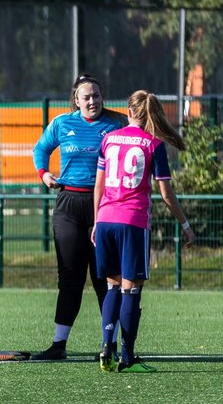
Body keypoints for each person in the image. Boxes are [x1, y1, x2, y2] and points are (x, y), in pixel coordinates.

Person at [92, 90, 195, 372]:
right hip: (133, 223)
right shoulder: (153, 144)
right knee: (131, 289)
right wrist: (185, 225)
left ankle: (105, 346)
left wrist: (96, 221)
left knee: (112, 284)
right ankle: (127, 357)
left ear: (128, 112)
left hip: (105, 220)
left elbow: (99, 187)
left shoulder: (109, 139)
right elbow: (166, 194)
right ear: (151, 115)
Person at [32, 74, 128, 360]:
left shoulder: (116, 124)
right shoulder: (62, 123)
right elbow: (40, 149)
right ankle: (58, 345)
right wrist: (44, 174)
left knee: (105, 278)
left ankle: (112, 345)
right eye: (86, 97)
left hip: (105, 206)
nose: (92, 101)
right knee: (70, 278)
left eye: (96, 96)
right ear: (76, 100)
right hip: (69, 205)